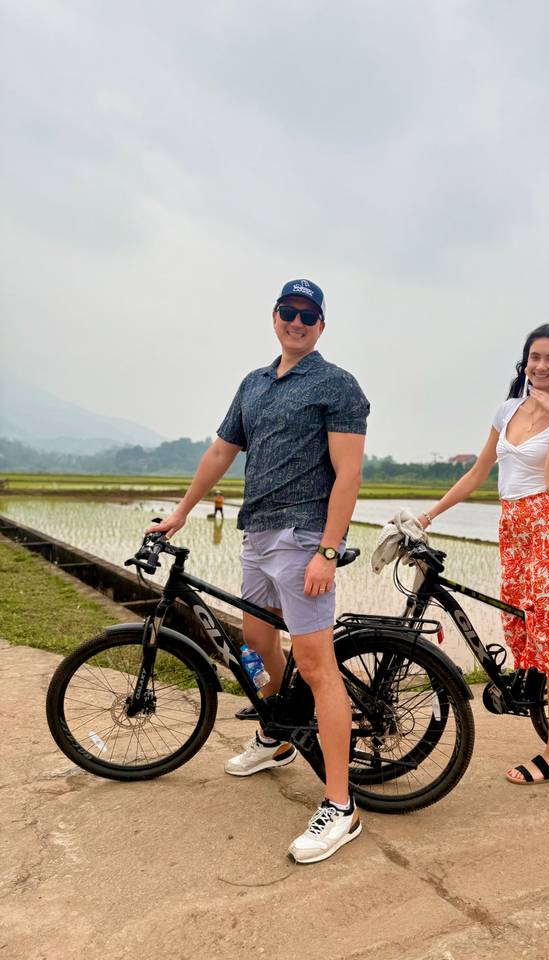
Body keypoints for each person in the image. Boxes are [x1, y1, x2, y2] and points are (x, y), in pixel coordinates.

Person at [147, 278, 369, 862]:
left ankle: (341, 807)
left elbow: (348, 474)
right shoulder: (253, 384)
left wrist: (328, 549)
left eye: (308, 315)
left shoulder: (337, 385)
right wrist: (180, 513)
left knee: (319, 667)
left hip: (302, 538)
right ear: (275, 317)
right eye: (288, 312)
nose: (297, 322)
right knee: (257, 639)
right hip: (258, 532)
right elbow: (221, 451)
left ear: (322, 325)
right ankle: (276, 737)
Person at [416, 323, 549, 785]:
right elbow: (481, 470)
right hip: (514, 532)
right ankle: (536, 697)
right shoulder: (507, 410)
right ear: (525, 362)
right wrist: (429, 515)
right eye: (534, 357)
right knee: (519, 625)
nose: (540, 366)